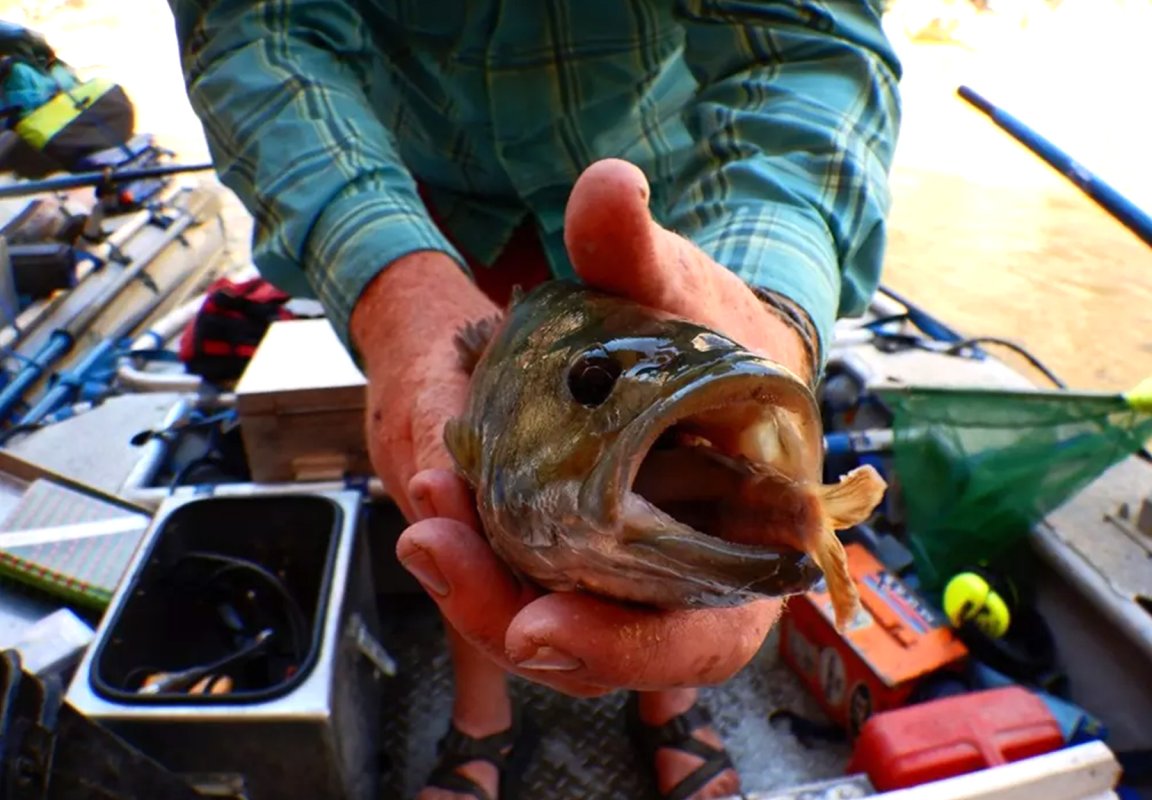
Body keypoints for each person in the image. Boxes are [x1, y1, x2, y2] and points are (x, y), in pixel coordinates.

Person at [166, 2, 902, 798]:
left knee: (669, 473)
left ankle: (670, 706)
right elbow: (258, 30)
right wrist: (388, 285)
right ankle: (482, 723)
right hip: (440, 212)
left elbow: (809, 43)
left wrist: (775, 310)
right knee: (447, 500)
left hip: (671, 200)